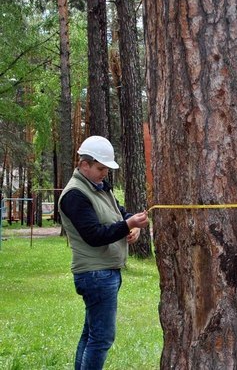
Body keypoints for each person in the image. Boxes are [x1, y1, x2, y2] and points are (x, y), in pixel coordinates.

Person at [59, 135, 149, 370]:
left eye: (107, 169)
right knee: (101, 339)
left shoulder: (99, 188)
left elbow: (120, 213)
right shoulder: (75, 195)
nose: (104, 173)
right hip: (95, 274)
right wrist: (128, 225)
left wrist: (131, 224)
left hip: (104, 274)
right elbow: (94, 235)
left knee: (90, 336)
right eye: (100, 168)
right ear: (84, 165)